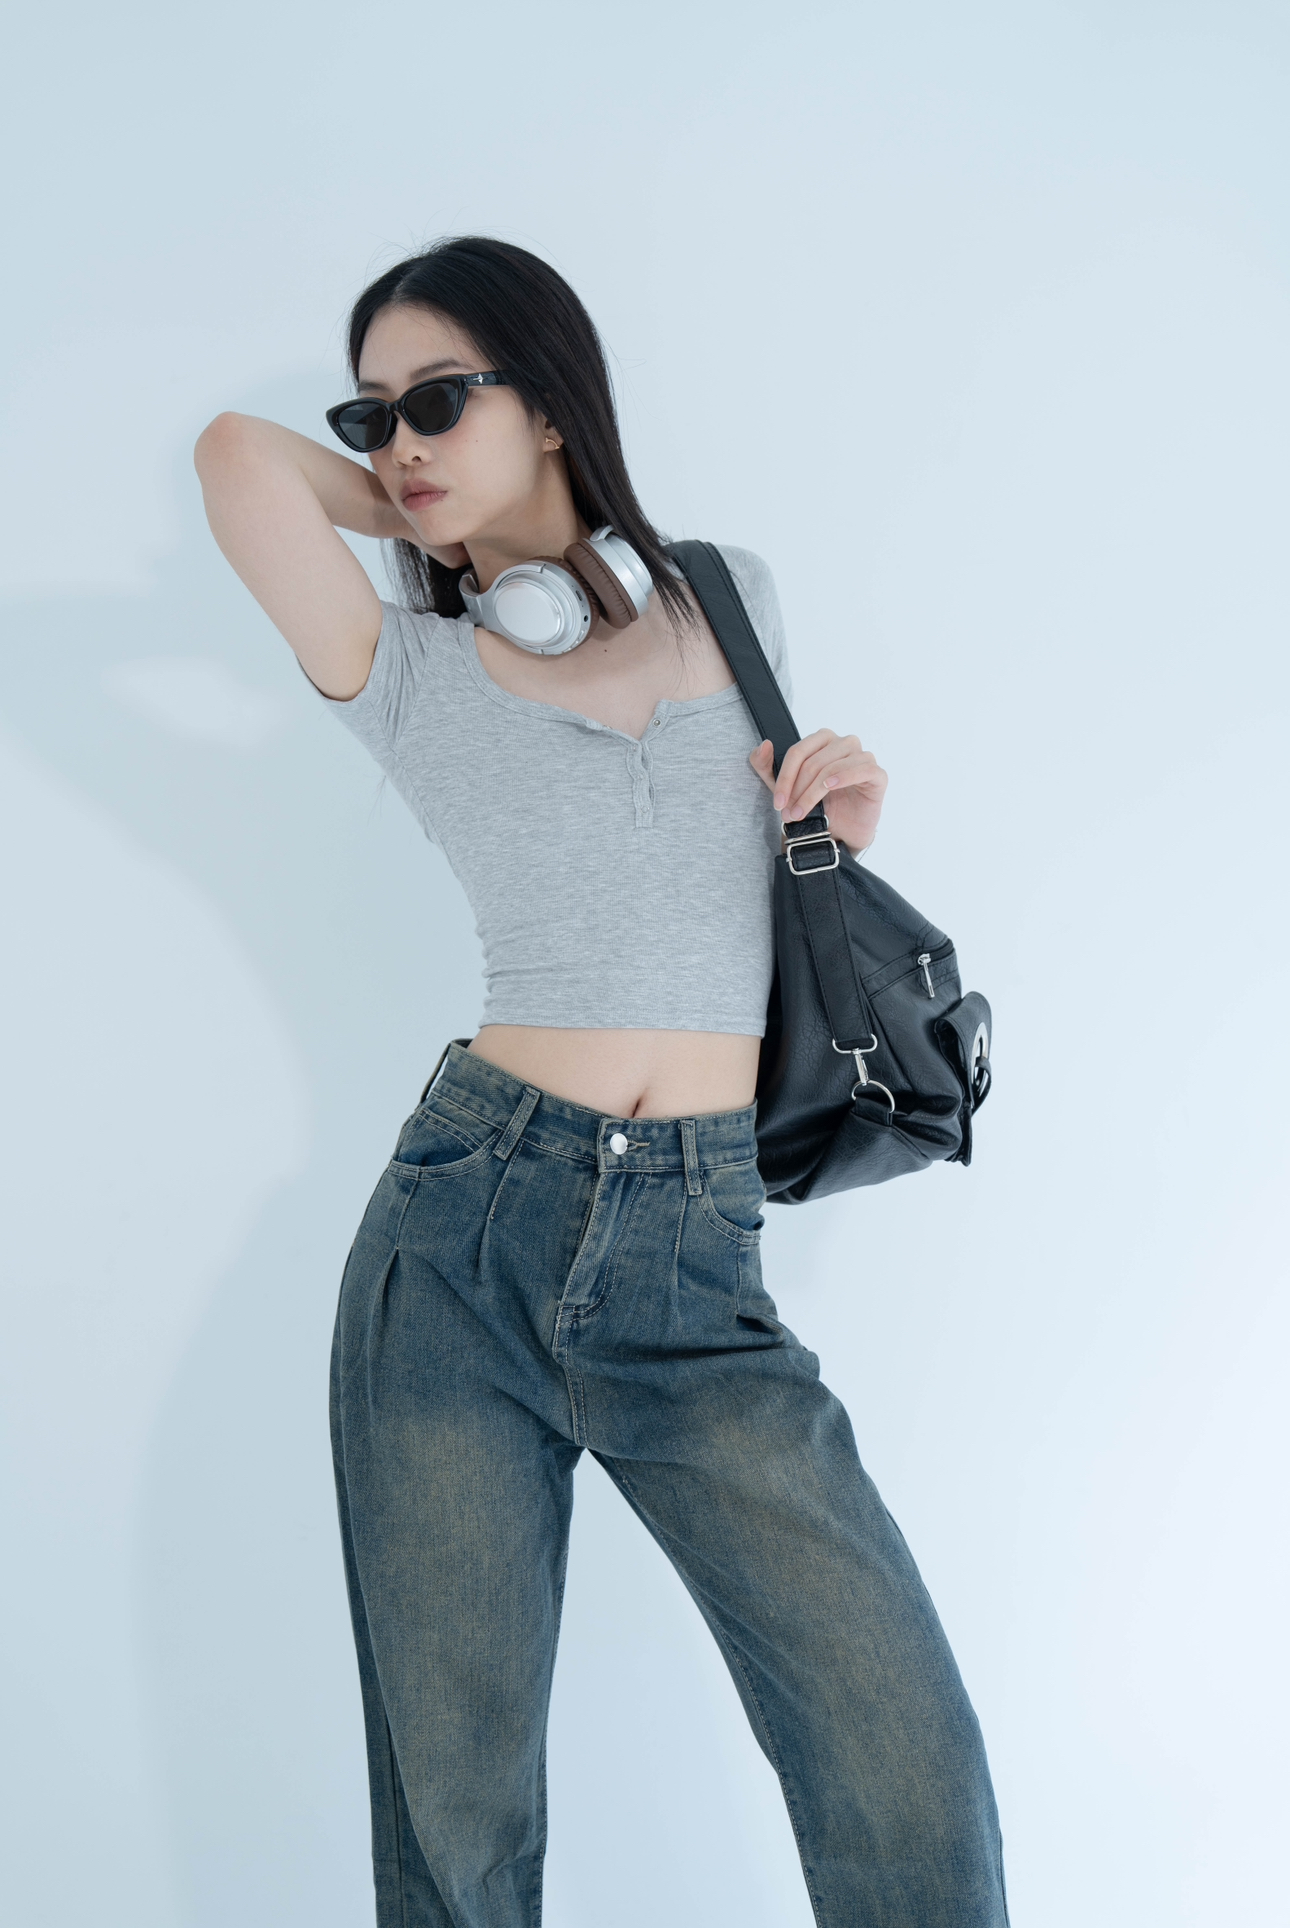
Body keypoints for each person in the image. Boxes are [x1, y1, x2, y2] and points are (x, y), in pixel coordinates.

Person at [194, 235, 1009, 1928]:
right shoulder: (404, 674)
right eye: (371, 416)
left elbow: (735, 901)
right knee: (458, 1817)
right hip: (459, 1236)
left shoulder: (728, 601)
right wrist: (441, 522)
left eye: (438, 399)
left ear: (552, 403)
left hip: (693, 1261)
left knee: (896, 1758)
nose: (396, 443)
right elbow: (232, 457)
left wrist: (828, 836)